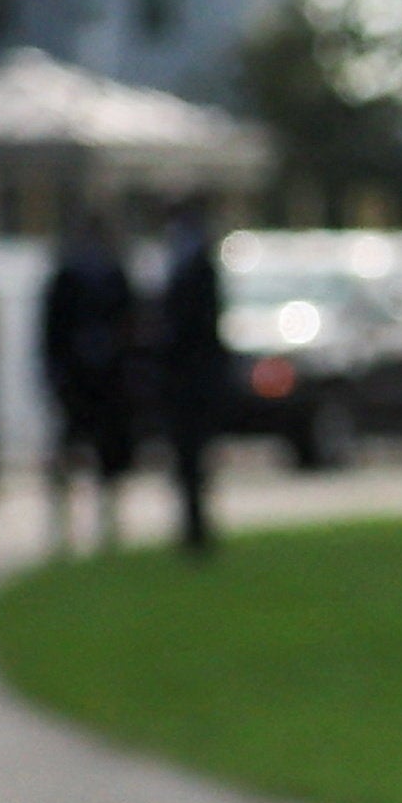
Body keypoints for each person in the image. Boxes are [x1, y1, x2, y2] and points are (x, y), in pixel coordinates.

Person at [38, 210, 146, 553]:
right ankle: (69, 526)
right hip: (79, 376)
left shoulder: (105, 276)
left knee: (103, 451)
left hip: (103, 376)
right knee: (73, 451)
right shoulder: (72, 278)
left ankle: (99, 523)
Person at [148, 200, 229, 559]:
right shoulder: (188, 265)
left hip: (190, 378)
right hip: (187, 378)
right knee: (189, 458)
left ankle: (195, 529)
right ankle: (193, 526)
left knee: (192, 457)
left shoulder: (191, 268)